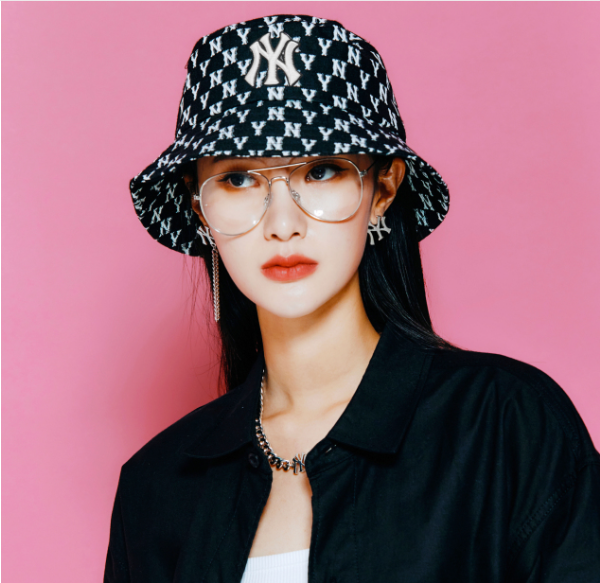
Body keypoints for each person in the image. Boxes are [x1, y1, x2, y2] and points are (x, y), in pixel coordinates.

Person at [104, 14, 600, 583]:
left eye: (321, 170)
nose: (283, 224)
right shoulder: (156, 485)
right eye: (239, 178)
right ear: (199, 209)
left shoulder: (505, 426)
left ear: (382, 189)